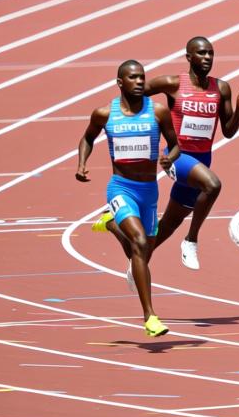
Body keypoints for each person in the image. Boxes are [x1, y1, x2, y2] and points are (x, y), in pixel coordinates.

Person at [76, 61, 180, 338]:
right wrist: (81, 163)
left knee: (141, 251)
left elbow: (175, 143)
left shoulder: (158, 112)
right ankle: (150, 317)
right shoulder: (103, 114)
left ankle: (112, 226)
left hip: (149, 191)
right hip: (120, 188)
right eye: (132, 77)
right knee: (140, 242)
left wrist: (171, 156)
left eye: (142, 77)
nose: (138, 82)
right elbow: (87, 138)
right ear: (119, 82)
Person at [144, 37, 239, 271]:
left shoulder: (221, 88)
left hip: (202, 159)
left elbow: (228, 132)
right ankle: (191, 240)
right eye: (201, 53)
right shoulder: (173, 83)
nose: (207, 58)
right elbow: (136, 91)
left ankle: (138, 260)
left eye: (210, 53)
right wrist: (150, 121)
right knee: (213, 185)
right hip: (177, 156)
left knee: (170, 223)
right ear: (188, 57)